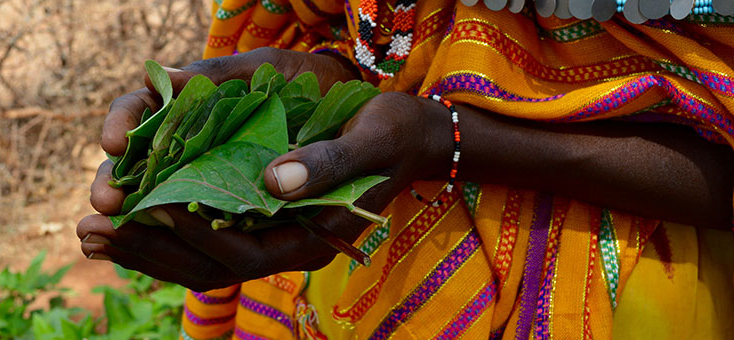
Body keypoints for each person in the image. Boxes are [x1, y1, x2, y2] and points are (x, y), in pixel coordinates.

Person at [77, 0, 734, 339]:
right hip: (353, 262)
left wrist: (448, 140)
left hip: (631, 286)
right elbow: (377, 34)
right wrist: (314, 89)